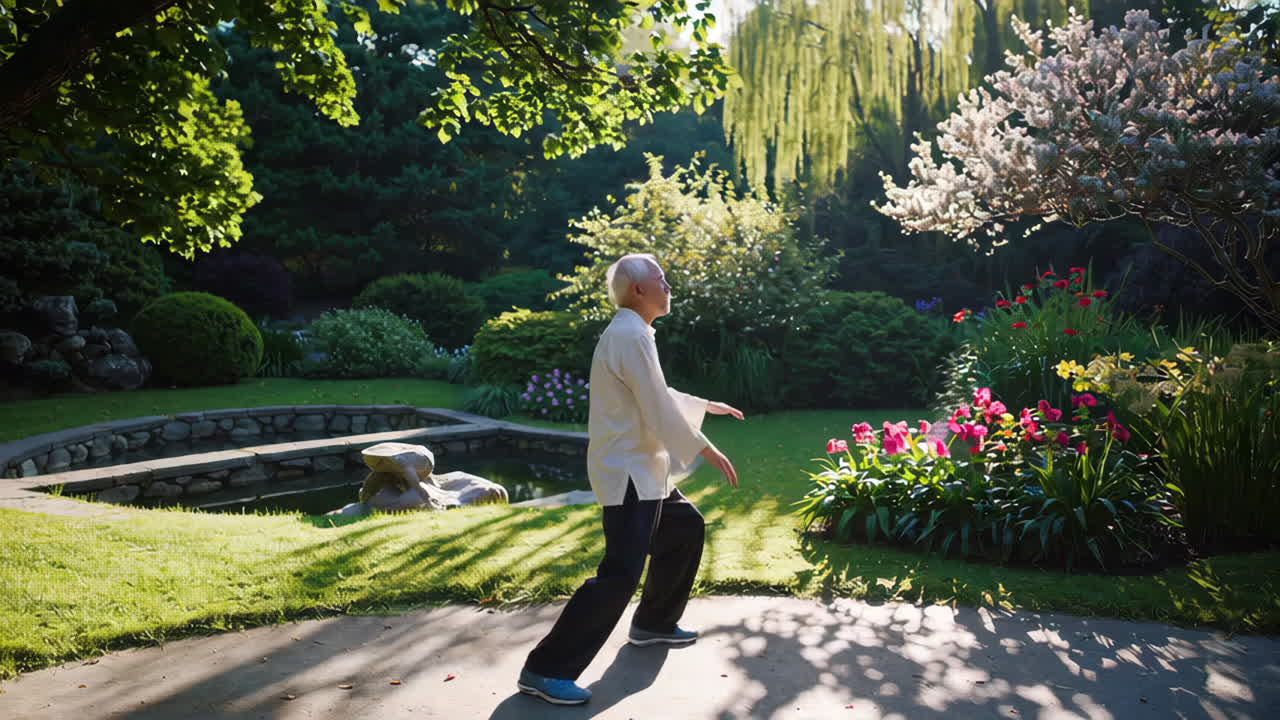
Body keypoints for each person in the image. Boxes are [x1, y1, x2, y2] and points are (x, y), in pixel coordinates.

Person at [516, 253, 743, 706]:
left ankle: (653, 624)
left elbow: (652, 393)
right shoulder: (629, 335)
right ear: (639, 290)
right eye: (661, 279)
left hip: (644, 470)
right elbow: (656, 405)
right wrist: (705, 446)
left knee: (684, 527)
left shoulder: (633, 333)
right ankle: (545, 669)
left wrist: (702, 404)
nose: (668, 285)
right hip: (629, 475)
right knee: (620, 573)